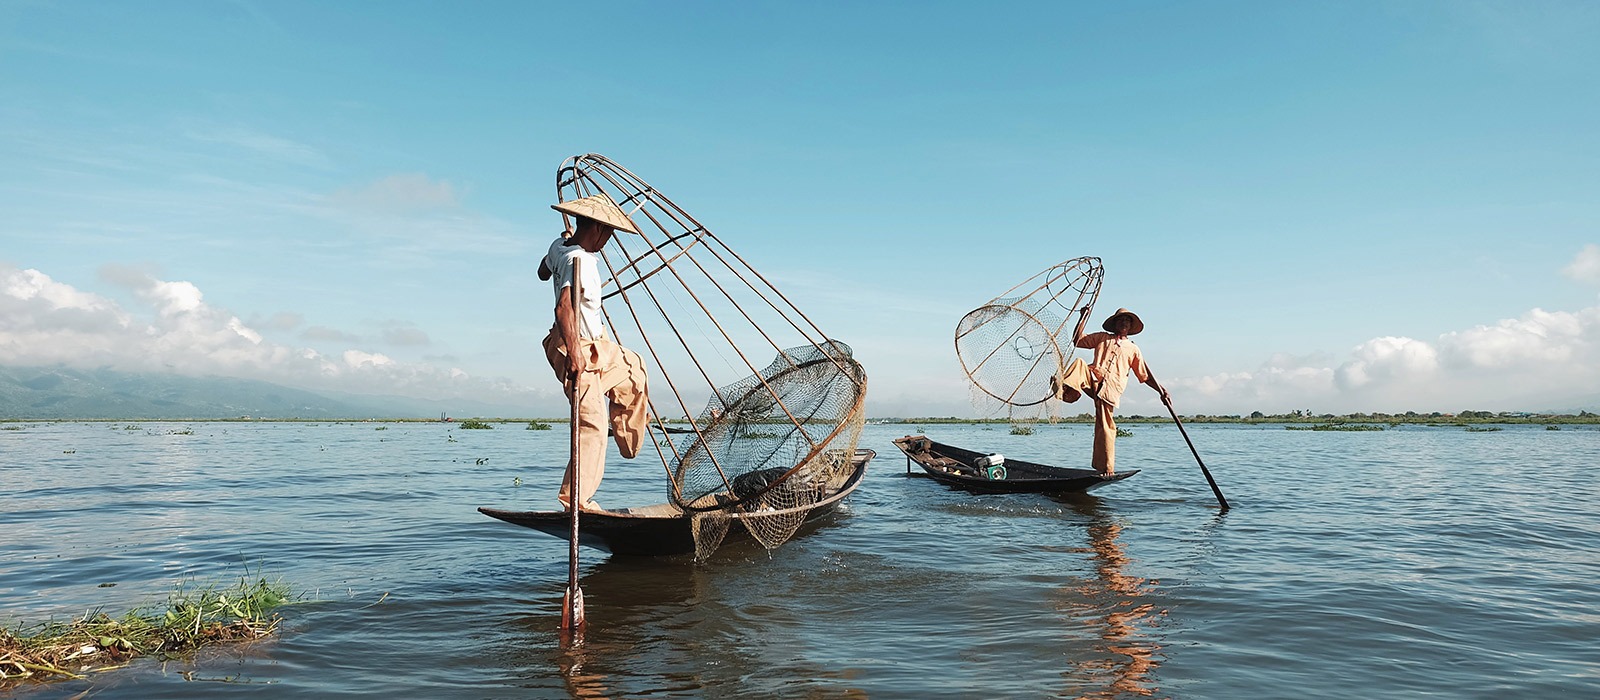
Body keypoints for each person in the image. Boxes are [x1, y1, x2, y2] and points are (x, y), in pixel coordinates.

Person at [537, 193, 651, 512]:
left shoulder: (559, 248)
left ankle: (626, 439)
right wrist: (574, 354)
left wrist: (560, 248)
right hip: (574, 343)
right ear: (599, 229)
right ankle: (576, 500)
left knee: (633, 367)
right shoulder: (581, 260)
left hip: (595, 342)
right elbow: (563, 308)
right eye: (609, 234)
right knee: (591, 425)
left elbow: (541, 273)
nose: (608, 240)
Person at [1051, 307, 1169, 476]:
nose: (1123, 323)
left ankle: (1107, 468)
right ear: (1114, 324)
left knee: (1105, 427)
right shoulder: (1102, 337)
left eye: (1127, 321)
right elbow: (1078, 340)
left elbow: (1145, 376)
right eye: (1120, 320)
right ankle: (1066, 391)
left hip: (1110, 390)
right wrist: (1082, 318)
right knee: (1079, 363)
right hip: (1093, 378)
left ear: (1130, 326)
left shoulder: (1133, 349)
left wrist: (1161, 390)